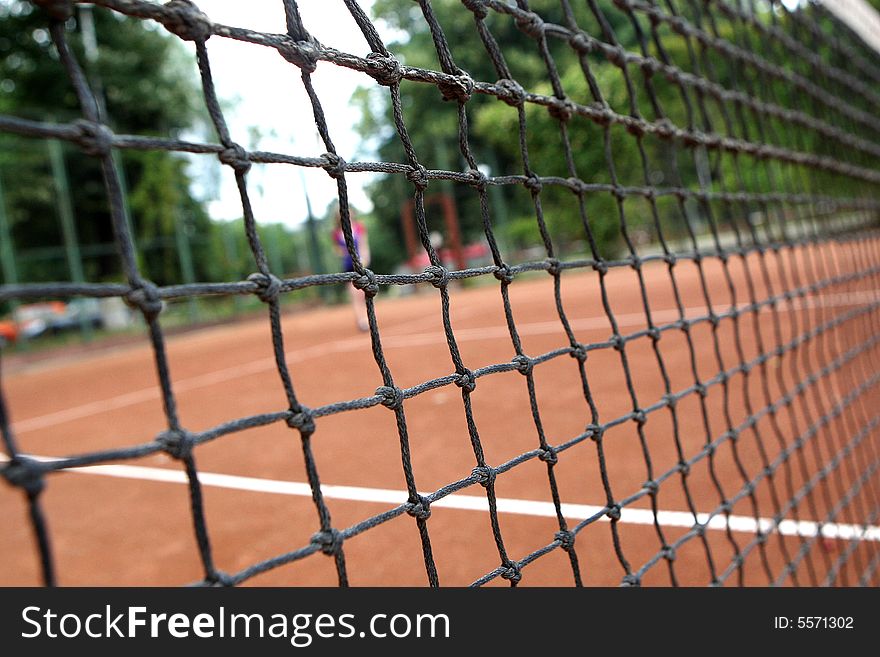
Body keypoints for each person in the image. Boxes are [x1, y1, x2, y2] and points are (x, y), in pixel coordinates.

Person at [332, 210, 371, 331]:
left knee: (363, 293)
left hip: (361, 264)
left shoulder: (359, 227)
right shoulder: (336, 233)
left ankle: (366, 317)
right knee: (354, 293)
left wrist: (365, 259)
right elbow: (336, 249)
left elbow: (364, 245)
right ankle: (360, 319)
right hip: (348, 266)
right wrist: (342, 252)